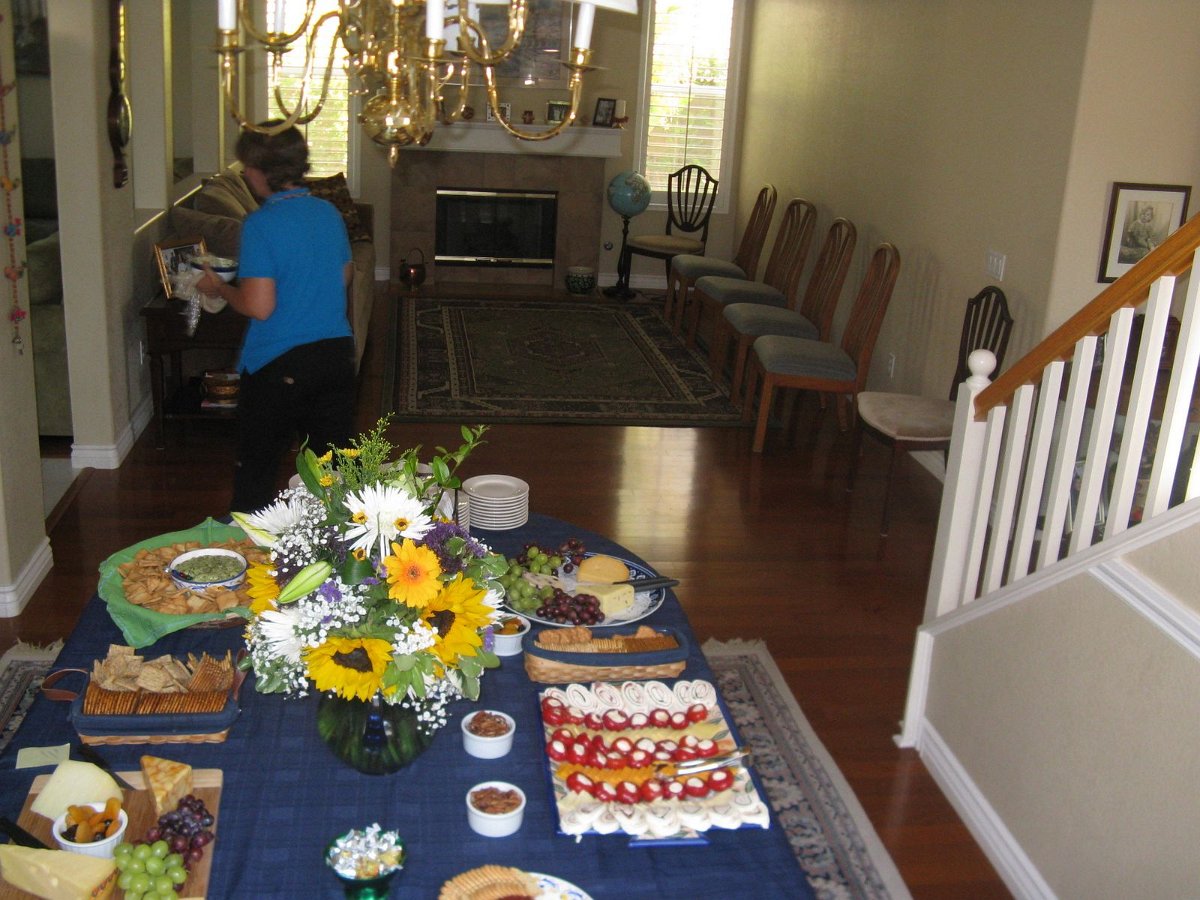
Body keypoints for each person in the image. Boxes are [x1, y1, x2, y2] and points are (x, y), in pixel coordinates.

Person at [196, 122, 355, 514]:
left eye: (247, 166)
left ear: (259, 170)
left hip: (279, 364)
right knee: (335, 475)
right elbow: (345, 275)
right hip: (335, 357)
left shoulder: (261, 225)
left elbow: (259, 306)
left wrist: (220, 289)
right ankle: (340, 548)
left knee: (257, 473)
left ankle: (248, 546)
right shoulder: (328, 212)